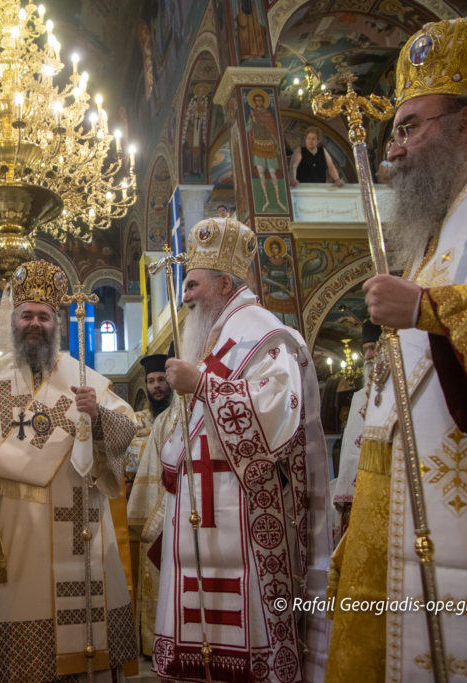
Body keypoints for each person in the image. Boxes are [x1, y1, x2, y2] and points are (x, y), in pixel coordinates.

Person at [327, 17, 467, 681]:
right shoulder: (432, 229)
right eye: (394, 130)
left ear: (465, 124)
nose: (392, 150)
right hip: (400, 507)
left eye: (409, 126)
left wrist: (430, 310)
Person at [0, 259, 138, 682]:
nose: (35, 323)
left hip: (77, 525)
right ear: (13, 321)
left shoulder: (85, 379)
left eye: (43, 317)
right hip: (13, 531)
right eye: (27, 315)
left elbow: (129, 429)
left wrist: (99, 416)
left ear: (57, 323)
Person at [152, 217, 329, 681]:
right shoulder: (214, 339)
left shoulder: (263, 334)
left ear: (225, 283)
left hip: (249, 518)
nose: (184, 296)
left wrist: (204, 387)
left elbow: (277, 417)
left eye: (192, 284)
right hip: (201, 514)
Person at [126, 353, 174, 655]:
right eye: (152, 381)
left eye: (161, 380)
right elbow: (128, 469)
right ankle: (153, 641)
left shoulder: (184, 415)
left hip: (179, 508)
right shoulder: (137, 422)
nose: (157, 387)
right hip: (151, 512)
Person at [330, 319, 380, 543]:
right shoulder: (359, 397)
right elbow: (350, 450)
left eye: (374, 348)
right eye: (366, 349)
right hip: (358, 492)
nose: (369, 355)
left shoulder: (403, 391)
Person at [247, 90, 288, 212]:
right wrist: (252, 122)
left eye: (260, 100)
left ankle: (279, 200)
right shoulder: (252, 115)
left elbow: (273, 130)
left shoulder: (268, 114)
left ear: (263, 102)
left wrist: (277, 144)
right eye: (257, 101)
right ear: (254, 102)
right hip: (258, 145)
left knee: (272, 172)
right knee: (260, 173)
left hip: (269, 144)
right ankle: (266, 200)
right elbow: (247, 128)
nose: (258, 102)